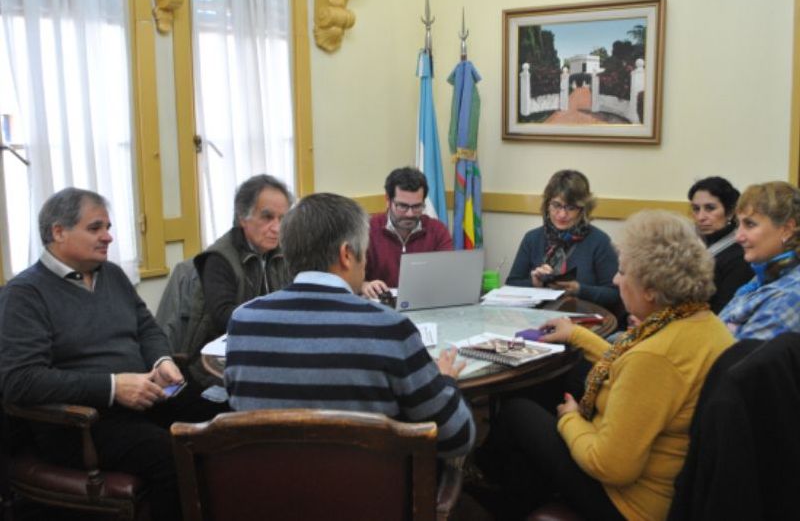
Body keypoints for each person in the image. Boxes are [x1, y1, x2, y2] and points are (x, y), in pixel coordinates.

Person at [477, 211, 733, 520]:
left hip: (629, 504)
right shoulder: (702, 322)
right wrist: (578, 335)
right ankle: (520, 493)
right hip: (672, 485)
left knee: (520, 411)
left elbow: (610, 467)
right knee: (548, 391)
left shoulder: (654, 357)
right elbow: (633, 369)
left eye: (623, 271)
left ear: (651, 288)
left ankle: (498, 495)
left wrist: (570, 420)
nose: (615, 279)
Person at [0, 188, 225, 521]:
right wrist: (113, 387)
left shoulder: (113, 275)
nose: (108, 237)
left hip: (146, 396)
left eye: (107, 227)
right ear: (58, 232)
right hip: (81, 424)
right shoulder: (24, 294)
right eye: (95, 228)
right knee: (169, 455)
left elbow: (148, 330)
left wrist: (161, 361)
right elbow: (20, 381)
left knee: (223, 418)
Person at [225, 192, 475, 458]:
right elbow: (456, 438)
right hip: (370, 496)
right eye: (364, 253)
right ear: (346, 254)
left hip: (265, 492)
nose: (365, 264)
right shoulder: (390, 329)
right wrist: (445, 381)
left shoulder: (242, 322)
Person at [185, 174, 292, 387]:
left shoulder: (284, 252)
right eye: (267, 217)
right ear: (243, 217)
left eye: (282, 219)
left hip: (267, 354)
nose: (277, 228)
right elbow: (224, 316)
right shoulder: (219, 258)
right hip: (217, 365)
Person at [506, 169, 620, 309]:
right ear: (547, 204)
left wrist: (579, 289)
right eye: (556, 205)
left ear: (583, 209)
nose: (561, 214)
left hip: (583, 321)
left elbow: (615, 294)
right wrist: (535, 284)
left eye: (571, 208)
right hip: (535, 318)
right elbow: (511, 284)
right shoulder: (532, 238)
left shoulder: (599, 241)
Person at [719, 181, 800, 340]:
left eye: (750, 224)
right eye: (738, 224)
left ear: (787, 229)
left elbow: (736, 360)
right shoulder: (769, 272)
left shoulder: (789, 294)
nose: (738, 237)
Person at [362, 167, 453, 299]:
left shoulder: (437, 230)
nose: (410, 214)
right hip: (381, 307)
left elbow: (448, 275)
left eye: (417, 207)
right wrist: (364, 285)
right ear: (388, 200)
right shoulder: (367, 230)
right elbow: (347, 277)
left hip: (426, 304)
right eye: (402, 206)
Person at [688, 176, 752, 313]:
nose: (701, 217)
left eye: (710, 208)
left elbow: (724, 311)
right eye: (695, 209)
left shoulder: (741, 254)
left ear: (730, 212)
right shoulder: (688, 243)